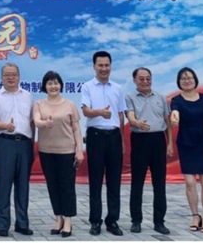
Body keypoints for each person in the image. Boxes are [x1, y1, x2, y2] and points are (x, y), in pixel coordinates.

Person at [80, 50, 126, 236]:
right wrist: (100, 112)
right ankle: (95, 221)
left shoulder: (118, 88)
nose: (104, 68)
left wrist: (122, 140)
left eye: (107, 65)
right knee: (96, 180)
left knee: (114, 181)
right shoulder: (87, 87)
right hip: (96, 136)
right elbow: (85, 111)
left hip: (114, 136)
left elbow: (121, 115)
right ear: (94, 67)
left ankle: (112, 220)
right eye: (100, 65)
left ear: (110, 66)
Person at [33, 70, 83, 238]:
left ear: (61, 85)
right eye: (49, 83)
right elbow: (36, 120)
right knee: (52, 186)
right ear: (44, 86)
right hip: (46, 151)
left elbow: (76, 129)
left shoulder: (69, 104)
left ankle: (68, 220)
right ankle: (58, 218)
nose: (53, 86)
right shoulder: (39, 104)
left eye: (56, 83)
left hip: (66, 151)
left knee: (67, 187)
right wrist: (44, 123)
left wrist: (79, 150)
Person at [169, 67, 203, 233]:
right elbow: (174, 113)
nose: (187, 80)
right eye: (183, 78)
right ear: (179, 82)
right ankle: (195, 216)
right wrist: (174, 118)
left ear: (195, 79)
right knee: (190, 182)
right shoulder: (176, 100)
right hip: (186, 144)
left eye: (189, 77)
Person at [125, 67, 173, 235]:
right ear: (134, 80)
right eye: (141, 79)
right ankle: (136, 220)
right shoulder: (130, 97)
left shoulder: (160, 97)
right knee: (137, 182)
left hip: (158, 140)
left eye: (148, 78)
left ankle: (159, 221)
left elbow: (167, 121)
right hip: (139, 140)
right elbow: (130, 116)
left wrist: (170, 143)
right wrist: (136, 123)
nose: (145, 81)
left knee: (159, 183)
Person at [0, 63, 35, 237]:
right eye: (7, 74)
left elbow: (32, 122)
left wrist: (32, 143)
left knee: (23, 185)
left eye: (14, 74)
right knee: (3, 184)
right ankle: (2, 225)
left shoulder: (28, 96)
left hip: (24, 143)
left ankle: (22, 223)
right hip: (4, 143)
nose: (10, 77)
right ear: (1, 77)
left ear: (19, 76)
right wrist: (5, 126)